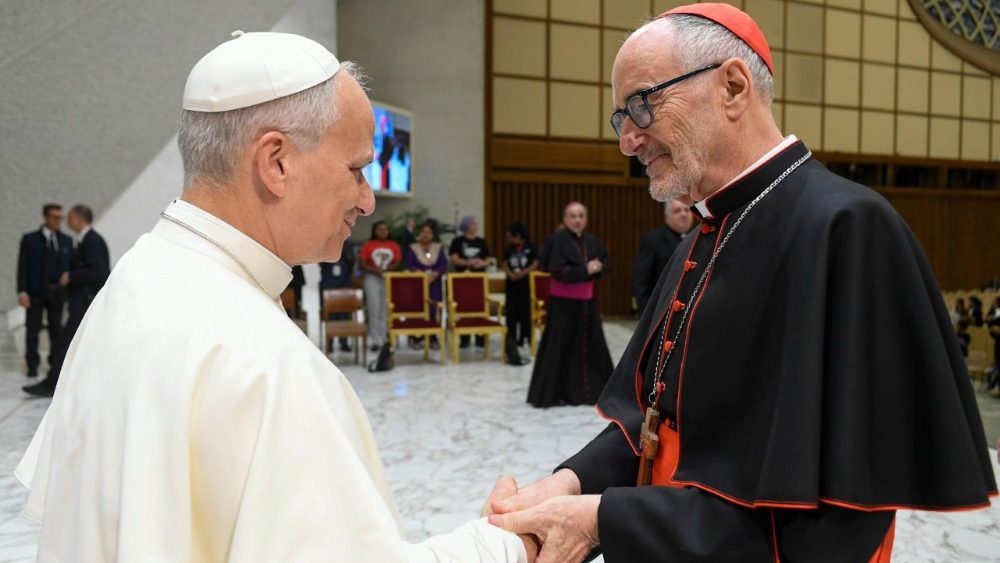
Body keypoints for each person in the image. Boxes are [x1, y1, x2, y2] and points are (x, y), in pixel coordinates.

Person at [487, 5, 996, 561]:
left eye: (641, 105)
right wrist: (571, 483)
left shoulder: (848, 230)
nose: (627, 141)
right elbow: (654, 421)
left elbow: (828, 518)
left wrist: (605, 520)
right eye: (620, 118)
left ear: (732, 87)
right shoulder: (702, 236)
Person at [15, 32, 531, 562]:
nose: (368, 199)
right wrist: (505, 544)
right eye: (355, 169)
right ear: (276, 161)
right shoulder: (263, 361)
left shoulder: (133, 282)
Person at [526, 202, 613, 408]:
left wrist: (598, 268)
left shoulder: (592, 241)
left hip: (587, 305)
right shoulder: (557, 241)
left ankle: (591, 393)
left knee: (591, 347)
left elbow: (605, 264)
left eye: (581, 215)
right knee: (560, 347)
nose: (577, 220)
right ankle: (558, 393)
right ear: (565, 219)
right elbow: (559, 272)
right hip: (563, 306)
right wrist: (586, 269)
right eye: (572, 216)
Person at [24, 205, 109, 398]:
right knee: (69, 344)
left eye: (68, 217)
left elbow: (100, 272)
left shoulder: (90, 241)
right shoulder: (86, 240)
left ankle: (52, 384)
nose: (66, 221)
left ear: (78, 219)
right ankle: (54, 383)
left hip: (84, 303)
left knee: (64, 344)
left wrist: (71, 276)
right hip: (82, 303)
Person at [15, 203, 73, 379]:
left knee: (56, 330)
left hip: (57, 294)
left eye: (60, 218)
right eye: (54, 217)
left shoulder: (66, 240)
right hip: (35, 293)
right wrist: (22, 292)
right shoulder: (30, 239)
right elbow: (22, 267)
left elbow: (71, 267)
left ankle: (54, 364)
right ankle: (32, 365)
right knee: (32, 329)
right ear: (45, 217)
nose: (58, 221)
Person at [632, 197, 693, 314]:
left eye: (687, 210)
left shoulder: (699, 238)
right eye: (677, 211)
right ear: (667, 216)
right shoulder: (652, 240)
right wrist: (647, 315)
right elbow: (641, 282)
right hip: (662, 310)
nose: (683, 214)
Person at [450, 215, 493, 348]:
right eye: (474, 224)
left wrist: (482, 262)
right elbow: (454, 258)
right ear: (467, 225)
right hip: (463, 278)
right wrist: (468, 262)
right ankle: (464, 337)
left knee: (480, 306)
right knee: (464, 307)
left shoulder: (481, 241)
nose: (476, 226)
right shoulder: (458, 241)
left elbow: (489, 258)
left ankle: (481, 337)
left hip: (479, 279)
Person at [360, 220, 403, 351]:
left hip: (388, 279)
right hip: (372, 278)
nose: (383, 232)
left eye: (385, 229)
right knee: (373, 309)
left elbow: (398, 262)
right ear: (374, 231)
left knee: (385, 310)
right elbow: (362, 262)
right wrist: (376, 270)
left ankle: (384, 338)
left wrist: (387, 269)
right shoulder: (369, 245)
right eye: (380, 229)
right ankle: (374, 339)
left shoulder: (393, 245)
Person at [404, 221, 447, 349]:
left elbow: (443, 264)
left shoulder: (438, 248)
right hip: (417, 284)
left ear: (433, 234)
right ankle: (416, 338)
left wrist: (435, 274)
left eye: (429, 232)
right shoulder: (413, 247)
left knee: (434, 309)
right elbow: (409, 264)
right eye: (423, 231)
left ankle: (433, 337)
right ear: (419, 233)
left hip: (434, 284)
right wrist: (420, 273)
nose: (426, 234)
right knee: (417, 308)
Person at [501, 223, 539, 351]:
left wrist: (522, 273)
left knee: (525, 313)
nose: (509, 239)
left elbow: (535, 263)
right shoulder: (509, 248)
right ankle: (511, 339)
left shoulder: (531, 247)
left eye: (510, 236)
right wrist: (510, 274)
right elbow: (504, 263)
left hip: (526, 285)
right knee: (511, 313)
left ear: (518, 236)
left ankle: (524, 338)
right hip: (511, 285)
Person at [320, 238, 357, 353]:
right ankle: (330, 342)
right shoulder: (326, 240)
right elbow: (321, 263)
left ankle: (344, 342)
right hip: (329, 283)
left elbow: (352, 262)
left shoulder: (348, 244)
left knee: (344, 313)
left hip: (344, 282)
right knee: (330, 314)